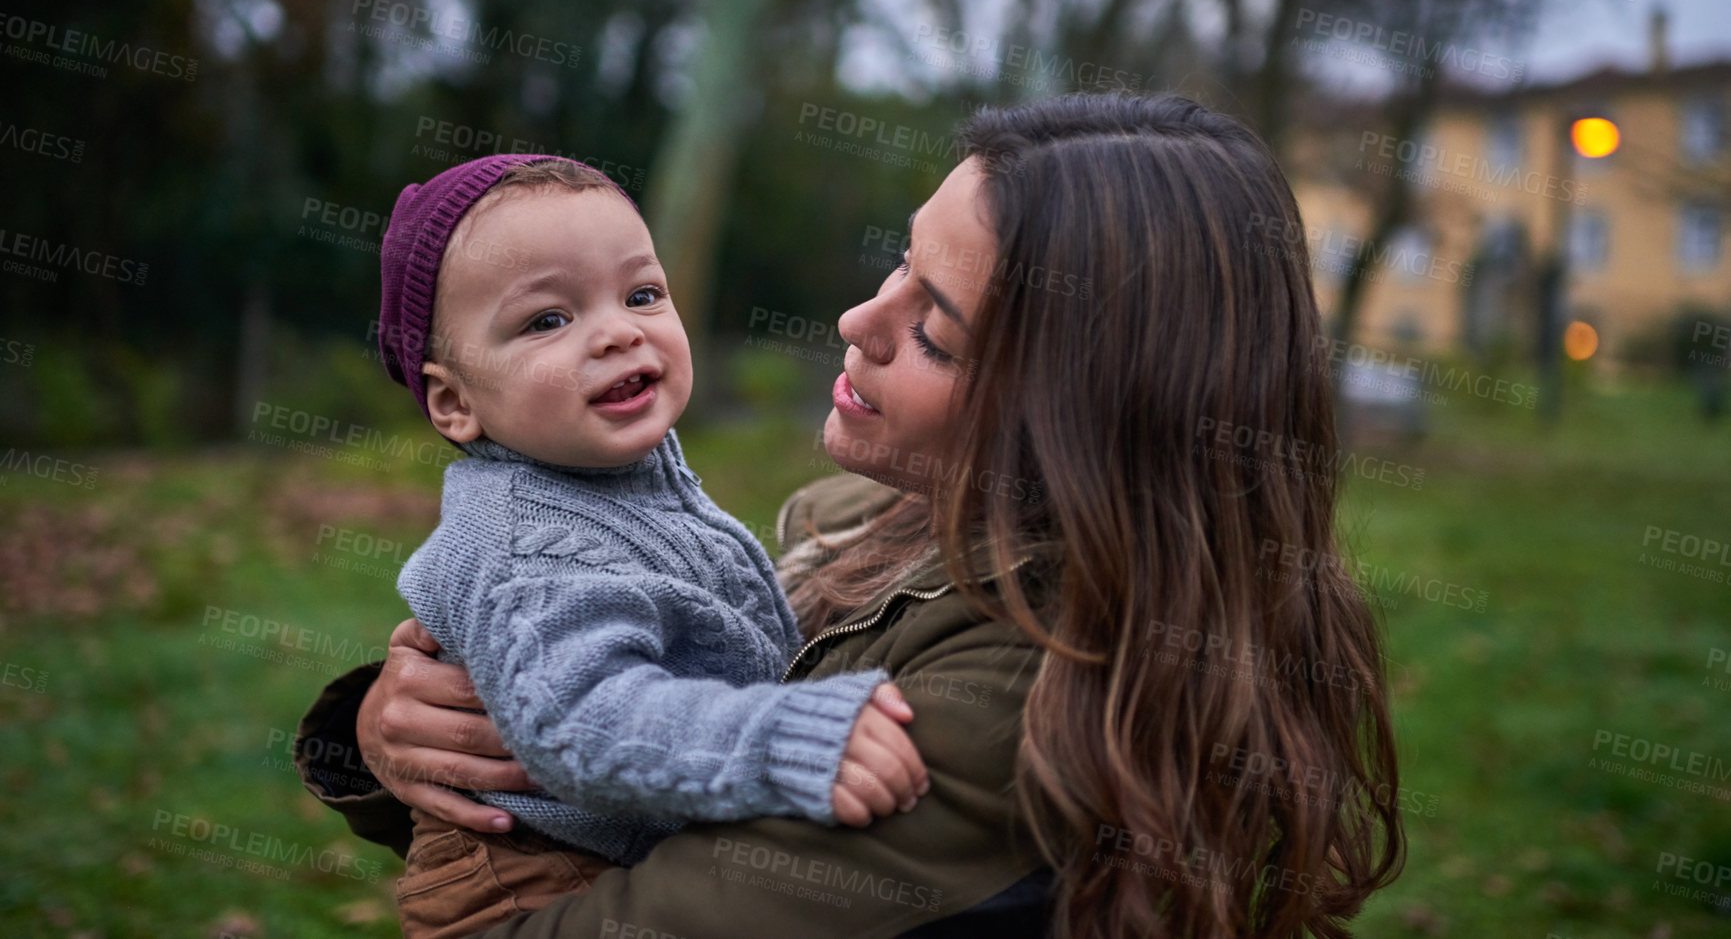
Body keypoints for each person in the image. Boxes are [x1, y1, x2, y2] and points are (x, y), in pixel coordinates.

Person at [296, 93, 1406, 938]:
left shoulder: (1023, 697)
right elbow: (600, 721)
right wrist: (389, 730)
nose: (857, 319)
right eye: (900, 263)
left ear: (1081, 413)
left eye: (936, 333)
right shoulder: (855, 517)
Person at [363, 153, 928, 939]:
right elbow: (584, 721)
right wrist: (787, 733)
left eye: (641, 294)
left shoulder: (614, 477)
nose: (619, 331)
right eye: (548, 319)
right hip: (529, 882)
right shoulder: (524, 542)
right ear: (455, 402)